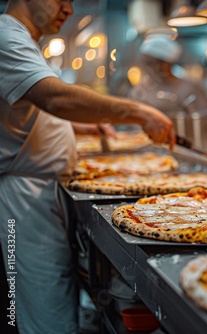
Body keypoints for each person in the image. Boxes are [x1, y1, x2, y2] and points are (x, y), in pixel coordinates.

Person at [0, 0, 176, 333]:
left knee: (55, 287)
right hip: (24, 199)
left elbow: (27, 110)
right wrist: (138, 111)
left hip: (41, 190)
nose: (68, 7)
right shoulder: (5, 36)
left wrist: (76, 127)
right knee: (44, 302)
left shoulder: (21, 38)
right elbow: (56, 98)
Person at [129, 34, 207, 116]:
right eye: (147, 63)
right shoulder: (141, 90)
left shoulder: (190, 88)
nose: (150, 68)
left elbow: (200, 117)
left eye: (153, 63)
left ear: (169, 63)